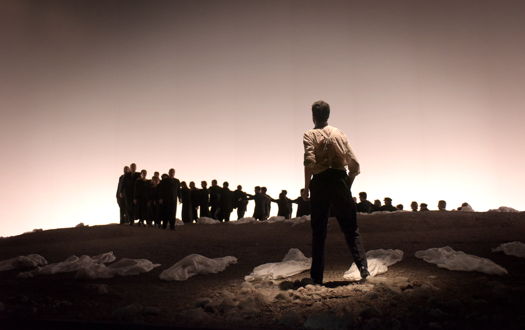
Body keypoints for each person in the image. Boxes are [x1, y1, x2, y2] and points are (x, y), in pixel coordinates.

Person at [303, 100, 368, 285]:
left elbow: (309, 162)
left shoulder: (309, 134)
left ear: (313, 116)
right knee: (351, 228)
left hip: (320, 182)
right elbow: (354, 164)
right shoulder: (340, 133)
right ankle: (363, 269)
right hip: (339, 179)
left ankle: (317, 278)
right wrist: (347, 183)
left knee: (319, 231)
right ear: (328, 115)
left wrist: (307, 187)